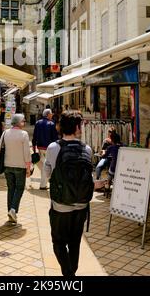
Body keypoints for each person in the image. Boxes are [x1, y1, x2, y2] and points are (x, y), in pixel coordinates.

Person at [44, 111, 93, 277]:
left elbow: (47, 174)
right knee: (75, 242)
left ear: (60, 127)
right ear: (78, 128)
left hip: (60, 205)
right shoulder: (87, 149)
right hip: (81, 205)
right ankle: (71, 272)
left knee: (58, 242)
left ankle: (68, 274)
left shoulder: (53, 147)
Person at [0, 113, 31, 224]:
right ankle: (13, 210)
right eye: (23, 121)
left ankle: (11, 212)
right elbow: (26, 152)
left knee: (11, 188)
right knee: (19, 188)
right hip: (20, 166)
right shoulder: (24, 134)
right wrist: (28, 167)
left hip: (7, 165)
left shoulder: (6, 133)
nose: (24, 122)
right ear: (18, 122)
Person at [32, 108, 58, 189]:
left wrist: (33, 146)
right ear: (48, 115)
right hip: (49, 148)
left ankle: (45, 182)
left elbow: (34, 136)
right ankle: (43, 184)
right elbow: (55, 138)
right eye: (51, 114)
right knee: (47, 165)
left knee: (44, 165)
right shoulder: (51, 124)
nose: (52, 115)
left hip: (40, 147)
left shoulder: (37, 123)